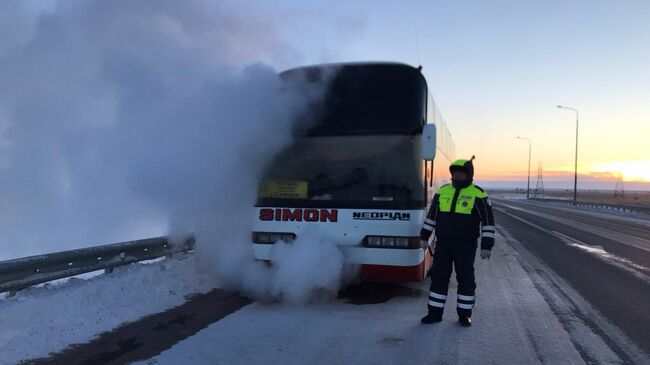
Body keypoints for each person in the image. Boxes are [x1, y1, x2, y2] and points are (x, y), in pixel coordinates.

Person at [420, 156, 495, 327]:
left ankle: (464, 315)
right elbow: (432, 217)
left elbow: (488, 223)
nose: (458, 177)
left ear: (469, 175)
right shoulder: (443, 191)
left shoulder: (479, 194)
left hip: (466, 245)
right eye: (456, 174)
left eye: (462, 174)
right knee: (439, 278)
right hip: (444, 244)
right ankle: (434, 314)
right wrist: (424, 236)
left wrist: (487, 246)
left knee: (465, 279)